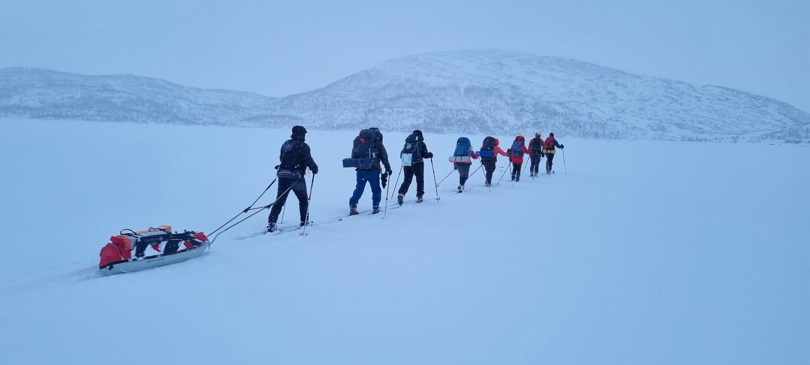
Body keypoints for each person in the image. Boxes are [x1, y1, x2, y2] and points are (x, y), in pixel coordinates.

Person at [267, 125, 318, 232]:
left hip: (282, 175)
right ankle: (304, 221)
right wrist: (314, 168)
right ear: (302, 134)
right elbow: (308, 159)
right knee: (303, 200)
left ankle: (272, 222)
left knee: (279, 200)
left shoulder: (286, 144)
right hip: (296, 177)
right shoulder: (304, 146)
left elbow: (281, 157)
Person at [349, 127, 392, 215]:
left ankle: (353, 205)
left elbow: (354, 155)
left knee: (359, 188)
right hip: (373, 170)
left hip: (360, 169)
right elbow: (384, 157)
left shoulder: (360, 142)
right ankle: (375, 207)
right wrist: (388, 168)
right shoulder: (377, 143)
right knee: (376, 189)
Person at [397, 130, 434, 205]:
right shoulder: (421, 143)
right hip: (418, 163)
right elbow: (425, 155)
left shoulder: (408, 143)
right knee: (420, 180)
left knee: (407, 180)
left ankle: (401, 193)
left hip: (407, 163)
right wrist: (430, 155)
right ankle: (419, 196)